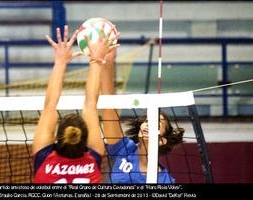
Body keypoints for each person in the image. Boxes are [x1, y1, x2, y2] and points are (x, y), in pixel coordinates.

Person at [32, 25, 120, 183]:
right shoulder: (92, 162)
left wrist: (60, 62)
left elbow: (50, 105)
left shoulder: (45, 160)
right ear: (86, 140)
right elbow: (90, 104)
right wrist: (97, 59)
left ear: (58, 138)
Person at [101, 50, 184, 183]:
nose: (148, 124)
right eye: (147, 121)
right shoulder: (124, 148)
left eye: (156, 124)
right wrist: (108, 61)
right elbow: (108, 107)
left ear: (161, 141)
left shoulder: (165, 180)